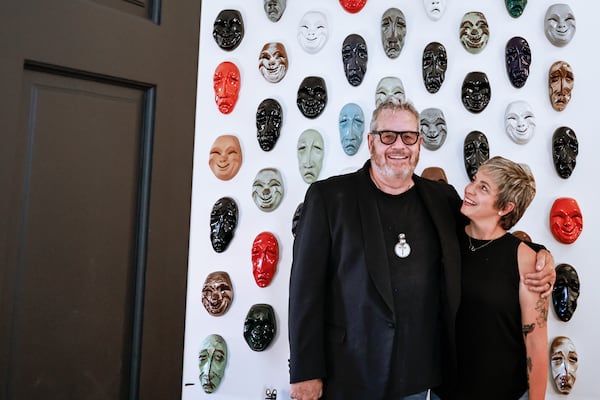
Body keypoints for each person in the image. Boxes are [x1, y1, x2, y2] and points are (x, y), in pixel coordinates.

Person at [288, 98, 554, 400]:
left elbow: (488, 230)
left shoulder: (441, 198)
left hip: (420, 378)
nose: (398, 146)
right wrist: (305, 371)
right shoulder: (329, 197)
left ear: (419, 144)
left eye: (408, 137)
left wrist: (538, 254)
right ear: (371, 141)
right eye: (388, 136)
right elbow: (304, 290)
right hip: (349, 372)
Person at [455, 156, 548, 399]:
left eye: (483, 188)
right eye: (474, 180)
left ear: (505, 207)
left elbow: (536, 345)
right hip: (446, 392)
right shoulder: (447, 237)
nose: (469, 189)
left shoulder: (526, 259)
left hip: (505, 392)